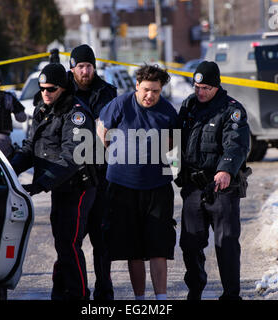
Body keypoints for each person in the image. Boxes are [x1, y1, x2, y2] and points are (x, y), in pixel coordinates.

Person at [10, 63, 97, 300]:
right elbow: (31, 146)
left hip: (78, 187)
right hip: (59, 187)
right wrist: (8, 168)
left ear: (64, 87)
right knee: (62, 242)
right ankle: (60, 292)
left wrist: (39, 184)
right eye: (42, 89)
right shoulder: (43, 108)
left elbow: (71, 157)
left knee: (69, 243)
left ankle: (78, 295)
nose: (45, 93)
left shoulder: (76, 114)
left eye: (51, 89)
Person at [97, 64, 178, 300]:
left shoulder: (167, 111)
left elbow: (174, 143)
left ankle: (161, 299)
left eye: (155, 90)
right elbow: (102, 131)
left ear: (161, 89)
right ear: (136, 86)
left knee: (158, 248)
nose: (149, 95)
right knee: (133, 249)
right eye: (145, 89)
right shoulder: (120, 104)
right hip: (122, 188)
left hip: (157, 188)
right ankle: (140, 299)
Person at [176, 61, 251, 300]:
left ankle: (231, 295)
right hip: (193, 186)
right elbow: (174, 139)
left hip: (222, 187)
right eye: (197, 86)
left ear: (217, 86)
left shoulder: (232, 110)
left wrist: (226, 169)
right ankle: (195, 289)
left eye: (206, 87)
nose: (200, 92)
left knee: (226, 243)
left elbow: (237, 144)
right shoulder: (188, 106)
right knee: (190, 243)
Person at [68, 44, 118, 300]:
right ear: (72, 68)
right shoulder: (63, 91)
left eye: (89, 66)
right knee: (70, 240)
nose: (85, 71)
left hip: (102, 175)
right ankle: (75, 290)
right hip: (72, 179)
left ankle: (104, 290)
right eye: (80, 67)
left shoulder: (108, 93)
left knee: (102, 238)